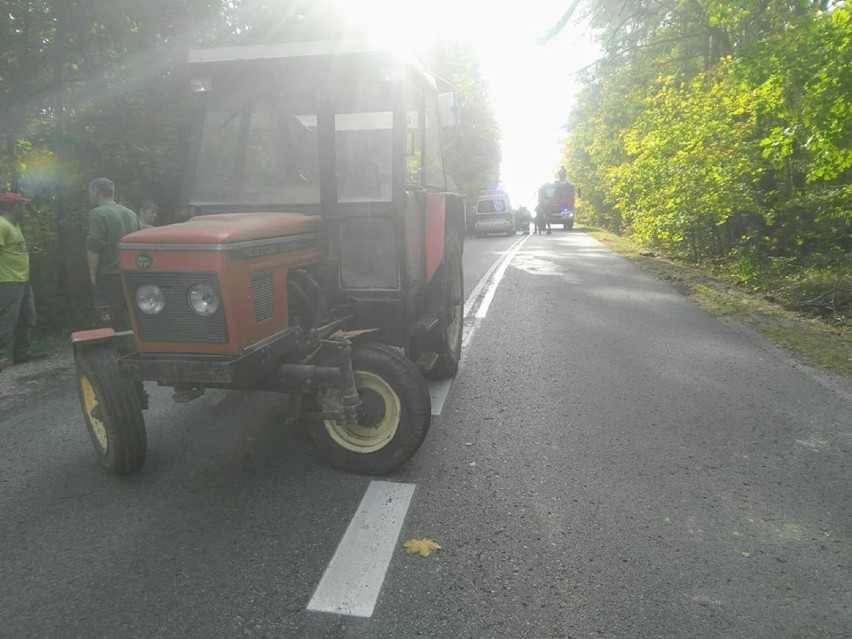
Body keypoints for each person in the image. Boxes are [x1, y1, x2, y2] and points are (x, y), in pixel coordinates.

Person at [0, 192, 47, 370]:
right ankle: (1, 356)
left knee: (28, 317)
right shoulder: (2, 225)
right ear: (13, 207)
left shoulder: (15, 226)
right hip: (7, 281)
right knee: (6, 319)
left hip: (22, 280)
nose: (24, 209)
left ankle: (22, 353)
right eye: (22, 205)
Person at [86, 177, 139, 330]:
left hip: (109, 273)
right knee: (129, 313)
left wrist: (93, 274)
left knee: (110, 315)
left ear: (96, 191)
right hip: (130, 272)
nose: (89, 195)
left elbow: (94, 246)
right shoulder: (130, 214)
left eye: (90, 191)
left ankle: (115, 349)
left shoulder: (98, 213)